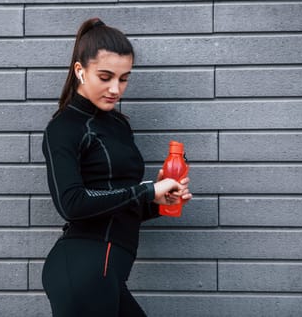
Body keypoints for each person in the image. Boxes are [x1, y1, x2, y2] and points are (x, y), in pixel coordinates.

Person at [41, 17, 192, 317]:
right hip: (82, 270)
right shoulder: (64, 128)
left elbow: (116, 203)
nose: (115, 88)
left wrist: (157, 201)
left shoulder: (118, 125)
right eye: (105, 76)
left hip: (105, 274)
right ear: (80, 71)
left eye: (123, 79)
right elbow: (72, 204)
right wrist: (146, 190)